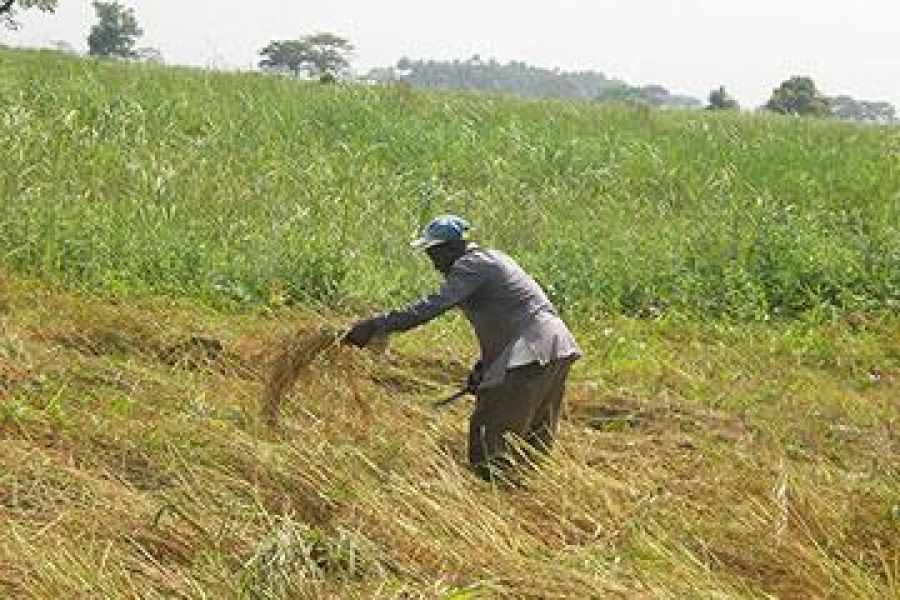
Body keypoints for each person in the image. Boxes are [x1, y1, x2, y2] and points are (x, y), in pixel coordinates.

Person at [342, 215, 581, 481]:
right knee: (530, 441)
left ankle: (495, 502)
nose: (433, 263)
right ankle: (522, 501)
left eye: (433, 253)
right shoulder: (493, 259)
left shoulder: (471, 265)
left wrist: (376, 325)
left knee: (490, 439)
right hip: (556, 346)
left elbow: (432, 306)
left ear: (451, 248)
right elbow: (509, 314)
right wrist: (485, 368)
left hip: (530, 349)